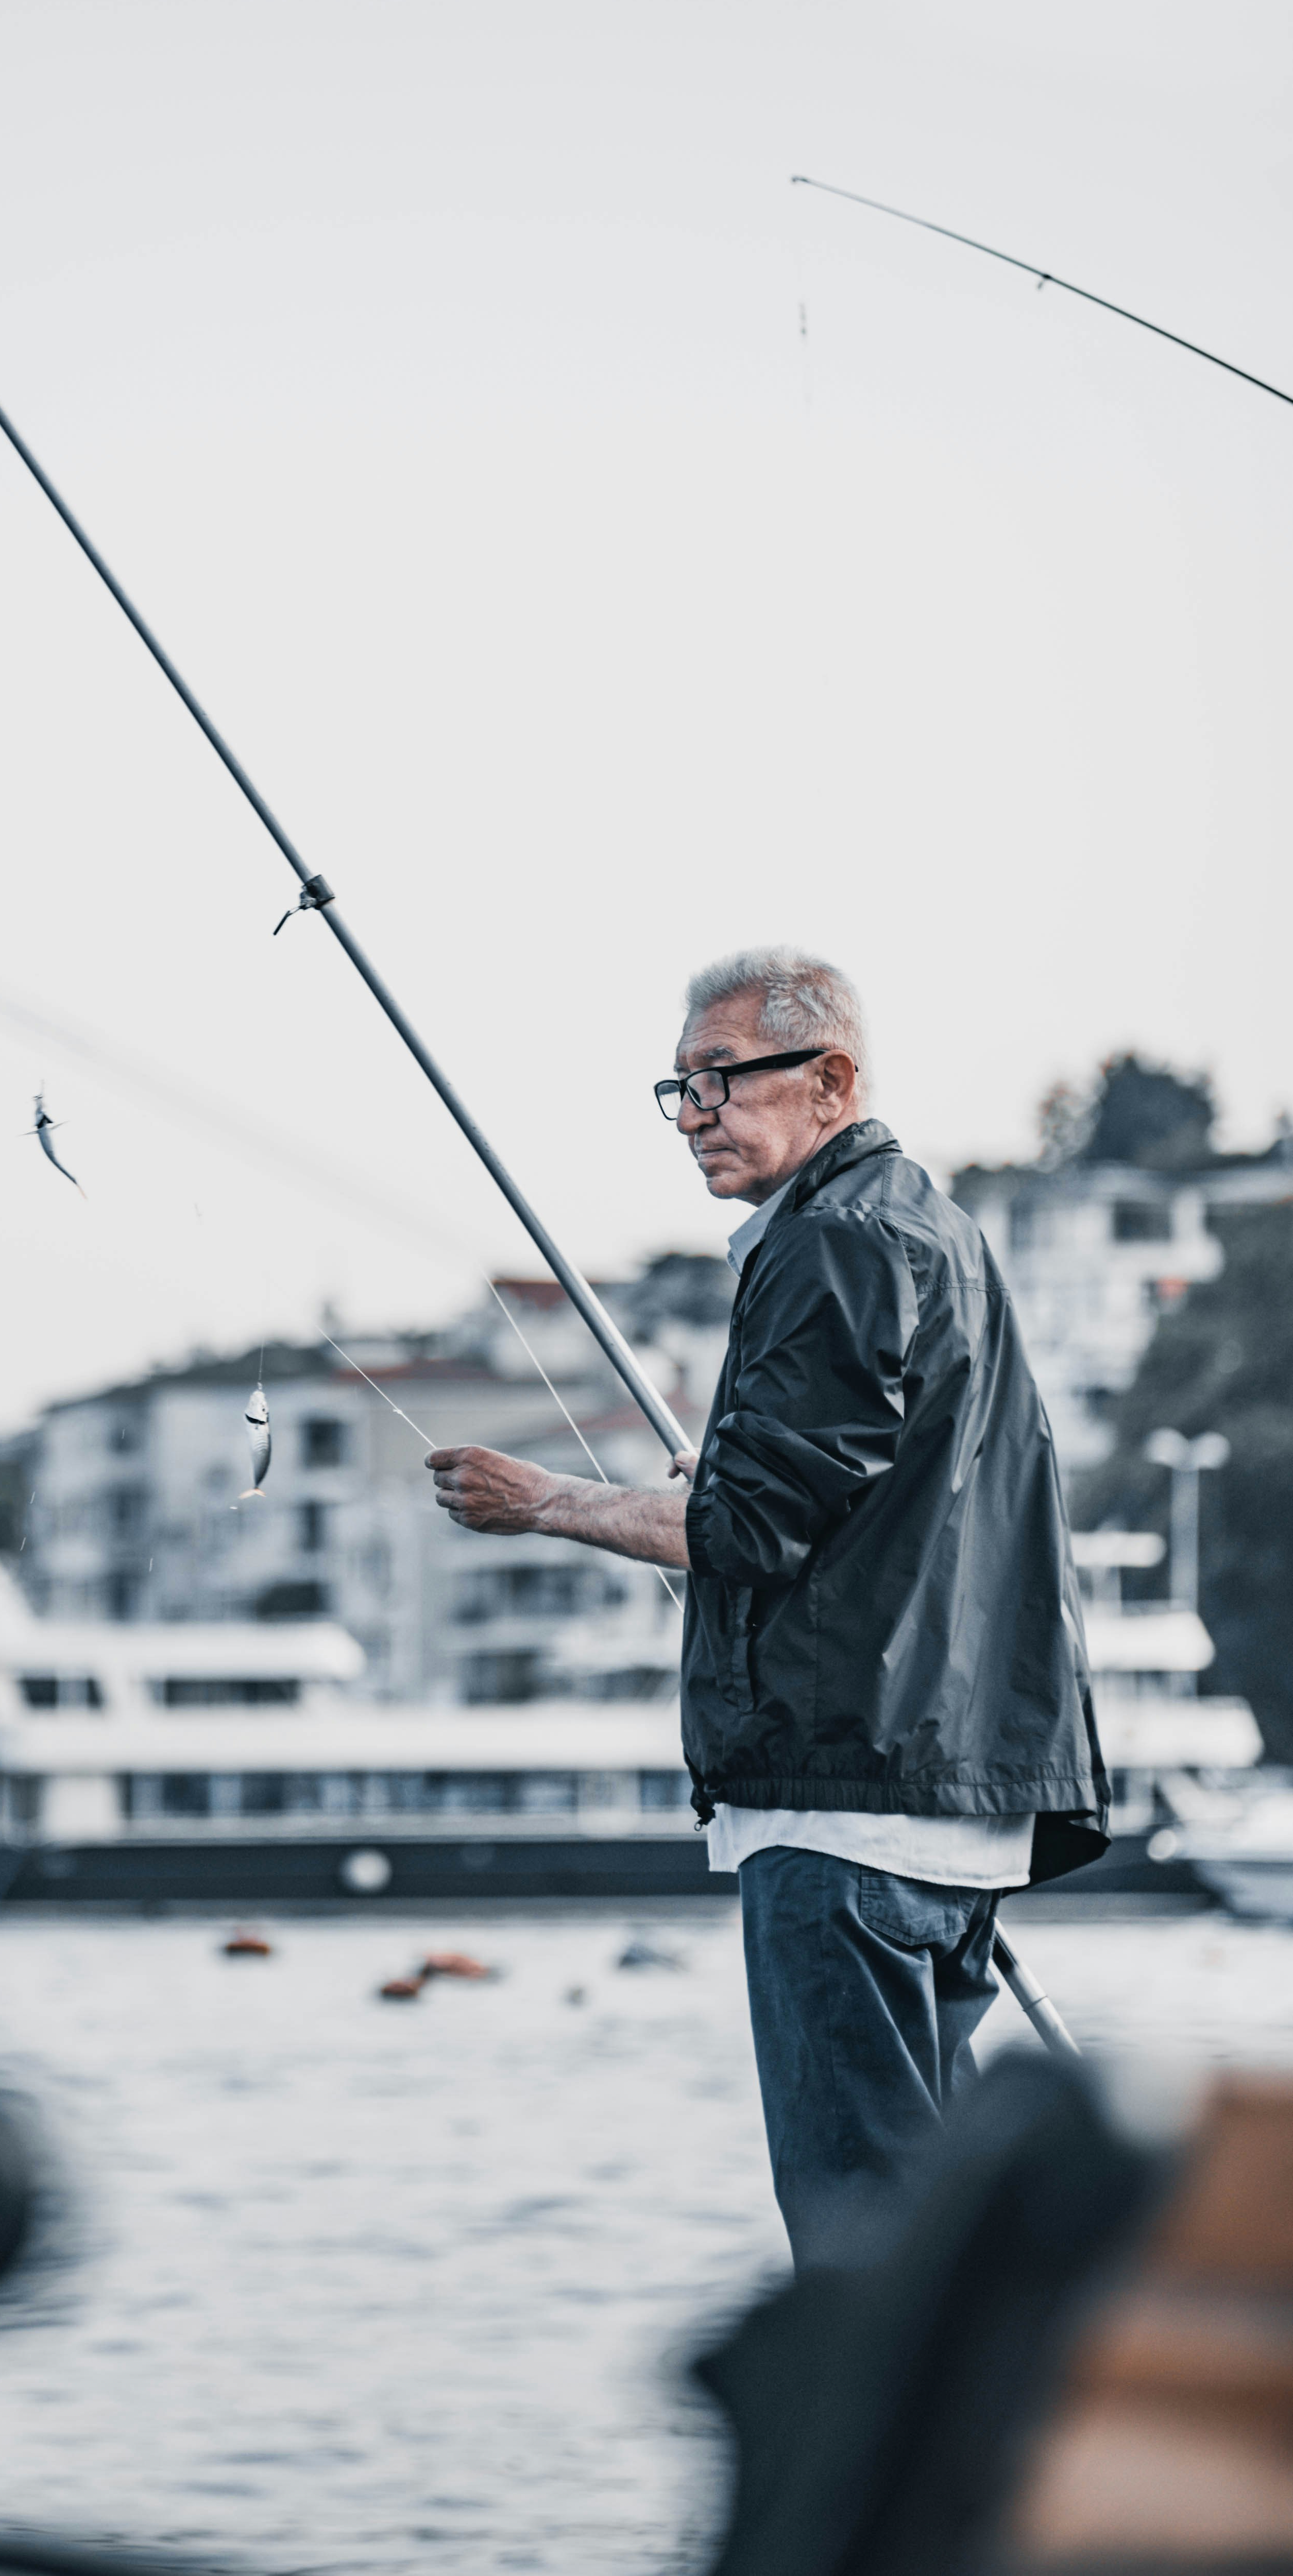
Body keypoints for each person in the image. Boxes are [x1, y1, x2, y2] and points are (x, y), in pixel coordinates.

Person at [426, 947, 1106, 2267]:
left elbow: (748, 1526)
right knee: (927, 2214)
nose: (693, 1119)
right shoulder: (935, 1231)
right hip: (952, 1810)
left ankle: (891, 2467)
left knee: (860, 2232)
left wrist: (546, 1502)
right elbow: (852, 1503)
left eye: (720, 1083)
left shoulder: (832, 1245)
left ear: (831, 1078)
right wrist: (726, 1481)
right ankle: (966, 2457)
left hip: (844, 1806)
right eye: (678, 1089)